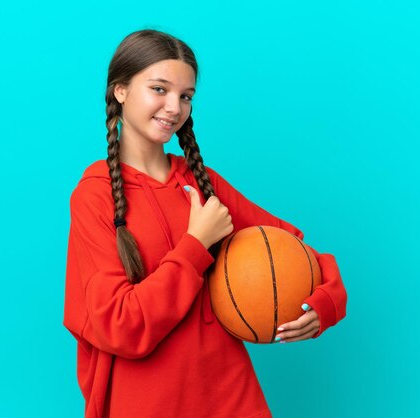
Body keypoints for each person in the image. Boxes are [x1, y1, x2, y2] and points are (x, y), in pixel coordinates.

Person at [63, 29, 347, 418]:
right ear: (121, 91)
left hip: (230, 396)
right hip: (144, 403)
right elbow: (120, 325)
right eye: (159, 89)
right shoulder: (94, 197)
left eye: (185, 96)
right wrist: (196, 245)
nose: (174, 108)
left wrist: (325, 301)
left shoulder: (202, 183)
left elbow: (289, 246)